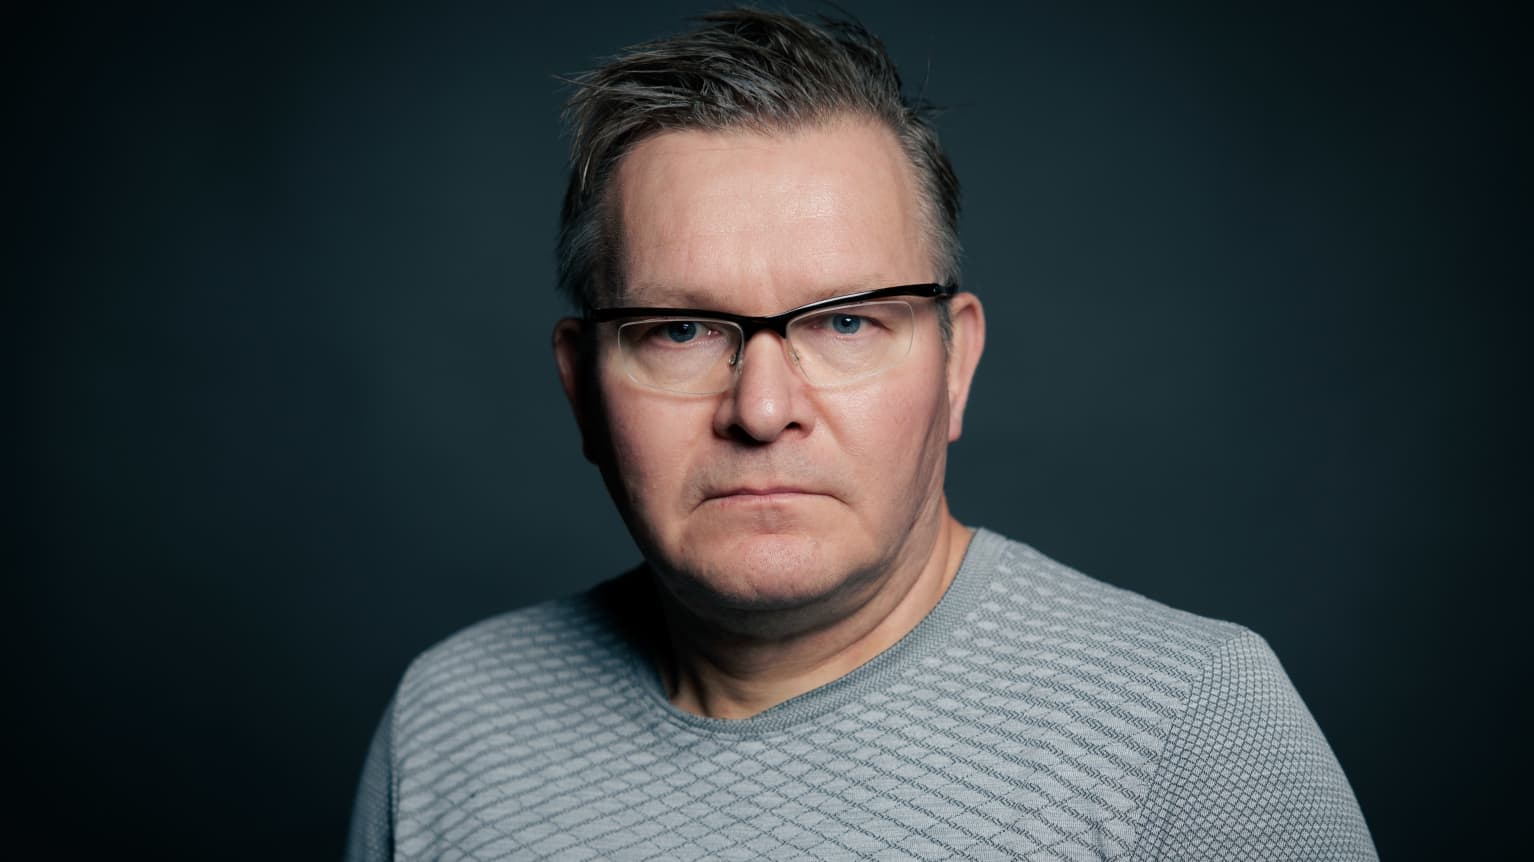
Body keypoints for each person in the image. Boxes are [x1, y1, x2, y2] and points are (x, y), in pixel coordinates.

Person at [346, 9, 1376, 860]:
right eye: (680, 330)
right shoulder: (452, 722)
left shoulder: (1190, 729)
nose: (762, 410)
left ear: (955, 364)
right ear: (581, 388)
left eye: (845, 322)